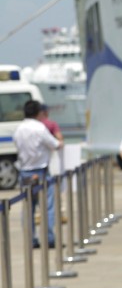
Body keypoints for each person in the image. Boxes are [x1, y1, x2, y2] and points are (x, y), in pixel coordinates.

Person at [13, 100, 62, 249]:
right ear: (38, 113)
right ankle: (49, 238)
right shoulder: (40, 128)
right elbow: (55, 144)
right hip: (41, 171)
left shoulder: (19, 129)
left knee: (28, 208)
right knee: (47, 207)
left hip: (25, 172)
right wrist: (60, 141)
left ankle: (30, 239)